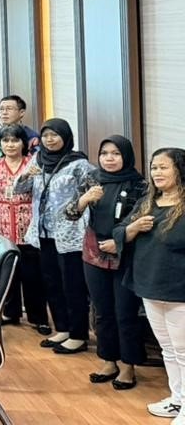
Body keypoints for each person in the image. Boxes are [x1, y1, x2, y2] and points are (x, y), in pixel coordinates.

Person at [66, 136, 147, 389]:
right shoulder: (92, 179)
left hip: (125, 253)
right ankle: (108, 360)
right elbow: (70, 213)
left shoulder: (140, 185)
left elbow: (141, 220)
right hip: (94, 252)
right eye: (104, 153)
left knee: (125, 312)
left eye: (115, 153)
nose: (109, 158)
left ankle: (128, 366)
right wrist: (84, 200)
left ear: (126, 156)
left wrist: (118, 241)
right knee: (102, 311)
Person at [116, 148, 185, 422]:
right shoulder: (147, 202)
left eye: (163, 167)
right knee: (167, 348)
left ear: (180, 170)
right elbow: (119, 231)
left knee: (183, 351)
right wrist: (132, 229)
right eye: (154, 167)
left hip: (178, 289)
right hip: (149, 284)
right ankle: (177, 399)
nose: (157, 173)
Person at [20, 118, 97, 354]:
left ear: (66, 137)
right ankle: (62, 328)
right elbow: (19, 190)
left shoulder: (79, 164)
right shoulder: (37, 160)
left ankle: (78, 334)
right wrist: (26, 175)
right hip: (43, 232)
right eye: (45, 135)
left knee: (73, 285)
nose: (49, 140)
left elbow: (94, 195)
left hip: (70, 234)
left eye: (55, 135)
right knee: (51, 282)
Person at [0, 125, 48, 332]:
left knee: (33, 275)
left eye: (15, 140)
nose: (10, 145)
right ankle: (10, 312)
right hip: (2, 222)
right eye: (5, 141)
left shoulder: (33, 163)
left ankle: (38, 318)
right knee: (7, 272)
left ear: (23, 143)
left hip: (28, 224)